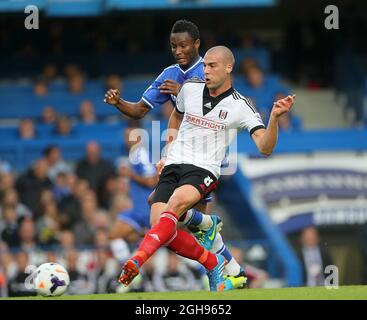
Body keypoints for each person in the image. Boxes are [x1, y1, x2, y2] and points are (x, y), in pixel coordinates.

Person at [117, 46, 295, 291]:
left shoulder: (241, 106)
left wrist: (273, 117)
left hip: (203, 169)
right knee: (162, 227)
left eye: (212, 66)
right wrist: (168, 149)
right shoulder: (189, 89)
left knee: (176, 204)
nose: (206, 70)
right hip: (174, 163)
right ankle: (211, 260)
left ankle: (137, 259)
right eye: (205, 65)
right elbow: (177, 116)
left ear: (228, 68)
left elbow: (265, 147)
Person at [105, 19, 246, 289]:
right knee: (166, 224)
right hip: (181, 155)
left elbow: (220, 102)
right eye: (173, 46)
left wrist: (183, 91)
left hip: (206, 156)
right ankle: (229, 265)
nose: (178, 50)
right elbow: (141, 110)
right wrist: (119, 102)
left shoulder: (210, 68)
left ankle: (220, 256)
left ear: (196, 45)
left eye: (183, 45)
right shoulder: (168, 73)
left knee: (178, 221)